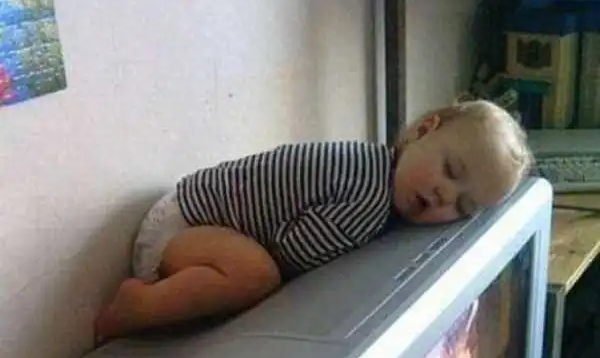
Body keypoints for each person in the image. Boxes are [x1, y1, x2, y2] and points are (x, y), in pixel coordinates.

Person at [94, 99, 533, 343]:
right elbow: (293, 259)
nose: (444, 196)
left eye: (463, 207)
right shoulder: (366, 199)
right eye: (450, 171)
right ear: (422, 130)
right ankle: (135, 308)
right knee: (259, 275)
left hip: (195, 217)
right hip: (181, 226)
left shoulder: (379, 166)